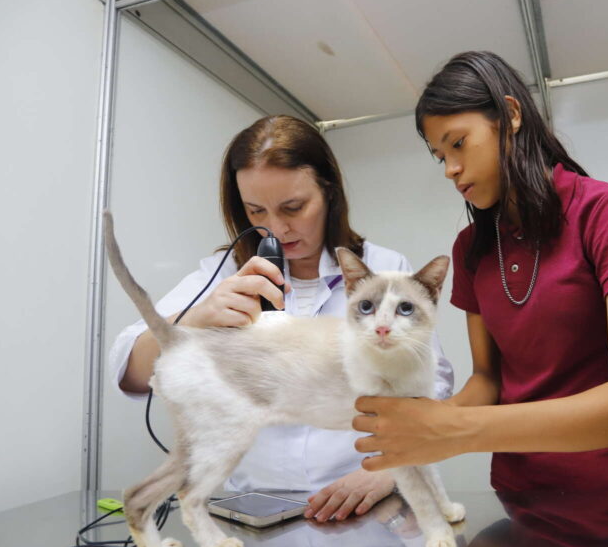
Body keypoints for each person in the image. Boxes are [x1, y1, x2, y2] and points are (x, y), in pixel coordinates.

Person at [352, 51, 608, 501]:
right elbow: (489, 379)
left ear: (512, 115)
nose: (450, 169)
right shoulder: (470, 249)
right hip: (518, 494)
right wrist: (420, 428)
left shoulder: (607, 213)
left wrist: (455, 429)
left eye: (458, 143)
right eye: (439, 155)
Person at [108, 115, 453, 522]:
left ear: (329, 192)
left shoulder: (382, 270)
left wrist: (382, 472)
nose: (276, 228)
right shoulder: (222, 274)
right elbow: (127, 368)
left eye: (293, 207)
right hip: (255, 508)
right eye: (256, 210)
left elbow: (434, 384)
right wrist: (198, 317)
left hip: (361, 509)